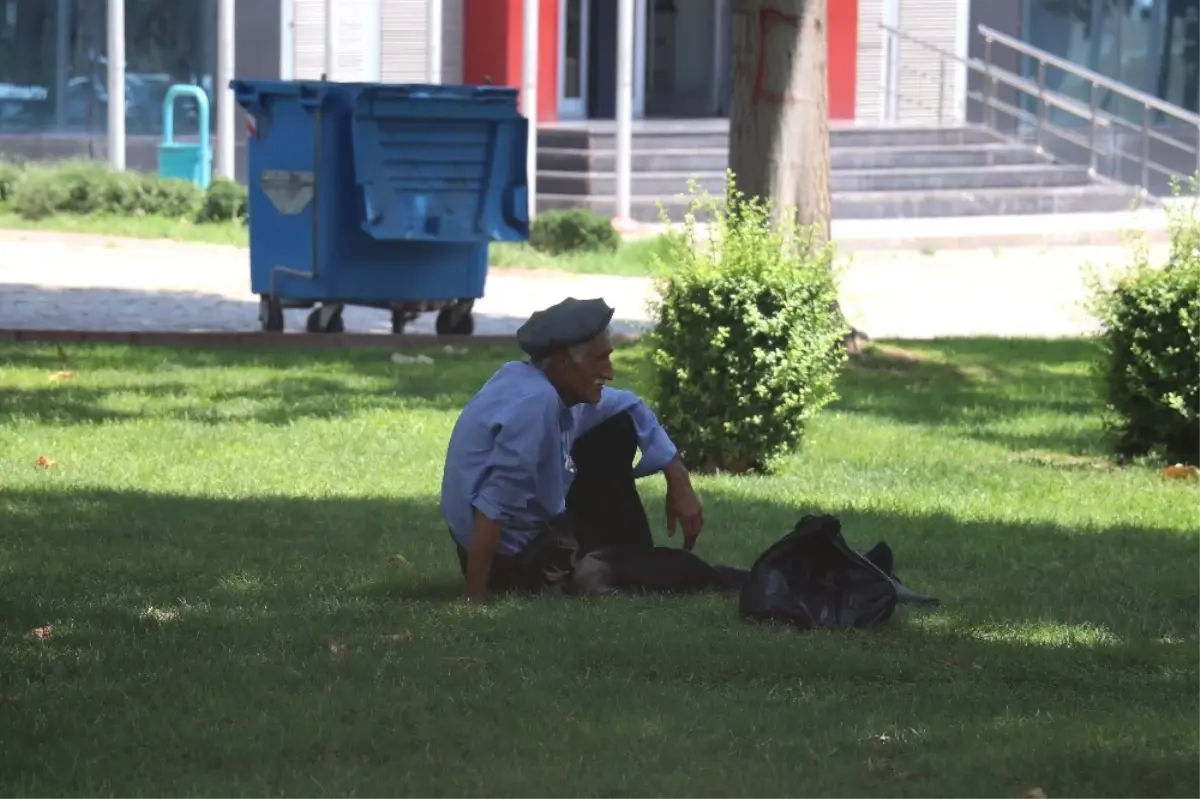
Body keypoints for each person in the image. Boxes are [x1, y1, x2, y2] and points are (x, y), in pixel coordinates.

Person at [440, 297, 705, 602]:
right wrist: (475, 597)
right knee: (641, 570)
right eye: (600, 360)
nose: (609, 373)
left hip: (533, 533)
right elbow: (492, 506)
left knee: (616, 424)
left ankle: (630, 555)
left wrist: (677, 474)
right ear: (564, 362)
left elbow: (630, 404)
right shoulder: (535, 404)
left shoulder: (543, 381)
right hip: (513, 557)